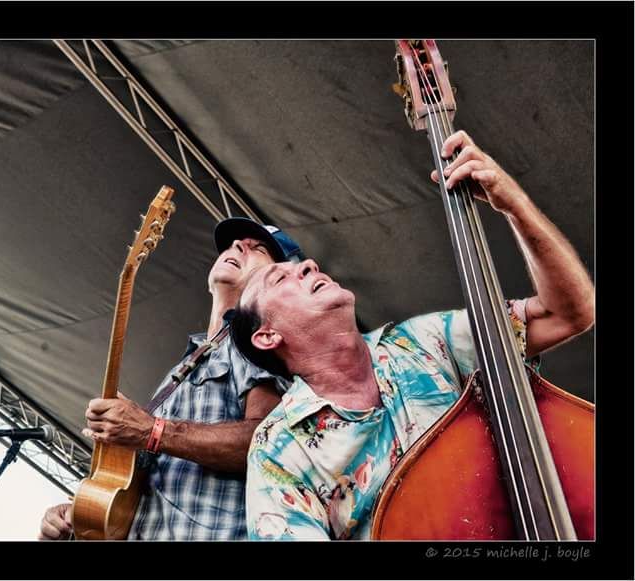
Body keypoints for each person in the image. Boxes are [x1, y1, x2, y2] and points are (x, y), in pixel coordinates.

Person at [230, 131, 595, 540]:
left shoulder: (424, 341)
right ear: (267, 336)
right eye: (281, 278)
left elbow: (568, 314)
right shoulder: (278, 450)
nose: (308, 265)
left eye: (302, 265)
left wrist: (514, 204)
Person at [38, 218, 303, 540]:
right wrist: (81, 511)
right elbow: (145, 486)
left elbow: (267, 441)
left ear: (279, 278)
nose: (238, 246)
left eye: (258, 248)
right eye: (236, 244)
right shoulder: (184, 365)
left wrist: (151, 430)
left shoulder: (259, 343)